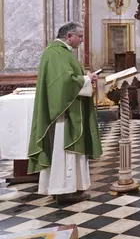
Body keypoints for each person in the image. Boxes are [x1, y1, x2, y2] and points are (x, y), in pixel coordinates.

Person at [28, 22, 102, 205]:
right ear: (69, 36)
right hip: (64, 114)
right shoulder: (56, 53)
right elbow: (63, 84)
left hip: (68, 110)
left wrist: (84, 78)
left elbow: (65, 78)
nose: (82, 40)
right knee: (65, 150)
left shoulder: (60, 52)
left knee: (67, 152)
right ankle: (63, 190)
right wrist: (87, 78)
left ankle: (69, 189)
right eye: (80, 36)